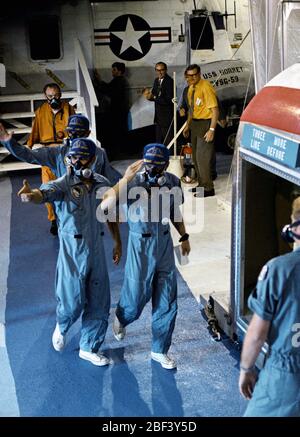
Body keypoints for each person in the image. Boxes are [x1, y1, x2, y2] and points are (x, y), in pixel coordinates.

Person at [17, 138, 122, 366]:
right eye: (73, 157)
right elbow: (43, 193)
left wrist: (117, 242)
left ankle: (88, 347)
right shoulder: (63, 184)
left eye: (82, 157)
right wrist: (30, 196)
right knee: (72, 300)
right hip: (72, 251)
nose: (77, 161)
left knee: (99, 301)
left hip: (96, 250)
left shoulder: (101, 183)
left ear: (93, 160)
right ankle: (63, 325)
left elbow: (109, 214)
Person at [102, 143, 191, 369]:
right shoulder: (132, 184)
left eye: (159, 167)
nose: (154, 171)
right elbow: (105, 206)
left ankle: (159, 350)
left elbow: (175, 211)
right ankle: (122, 318)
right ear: (143, 163)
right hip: (140, 244)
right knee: (135, 299)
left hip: (164, 244)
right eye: (150, 166)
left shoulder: (172, 182)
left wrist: (184, 236)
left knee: (167, 299)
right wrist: (124, 179)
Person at [239, 196, 300, 416]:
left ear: (293, 228)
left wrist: (246, 369)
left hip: (287, 373)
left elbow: (257, 334)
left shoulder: (279, 270)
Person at [0, 115, 121, 186]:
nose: (74, 135)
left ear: (88, 133)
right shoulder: (56, 153)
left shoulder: (99, 153)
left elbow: (111, 179)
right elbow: (28, 155)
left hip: (92, 206)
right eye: (71, 131)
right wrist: (9, 142)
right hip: (67, 208)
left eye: (79, 132)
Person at [27, 83, 75, 235]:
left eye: (56, 95)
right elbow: (34, 135)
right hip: (47, 153)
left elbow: (76, 129)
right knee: (47, 186)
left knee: (68, 184)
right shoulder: (41, 112)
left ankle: (70, 215)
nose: (54, 98)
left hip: (65, 151)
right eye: (50, 96)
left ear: (60, 94)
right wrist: (28, 148)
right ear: (45, 97)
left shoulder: (69, 109)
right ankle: (53, 219)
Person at [183, 64, 219, 198]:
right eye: (189, 75)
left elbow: (215, 110)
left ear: (199, 74)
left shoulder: (206, 87)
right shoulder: (191, 88)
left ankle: (209, 188)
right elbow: (191, 110)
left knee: (203, 157)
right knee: (196, 158)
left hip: (205, 123)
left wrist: (211, 129)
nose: (191, 78)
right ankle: (202, 184)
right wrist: (187, 125)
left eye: (194, 75)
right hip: (195, 124)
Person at [93, 62, 130, 160]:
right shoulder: (119, 81)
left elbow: (108, 89)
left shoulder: (119, 81)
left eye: (114, 70)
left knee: (115, 133)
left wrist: (99, 81)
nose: (112, 72)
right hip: (119, 111)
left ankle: (116, 154)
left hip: (117, 112)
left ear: (119, 71)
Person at [143, 62, 174, 146]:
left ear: (166, 70)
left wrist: (154, 97)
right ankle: (160, 158)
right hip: (158, 117)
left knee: (169, 142)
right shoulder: (156, 81)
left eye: (162, 70)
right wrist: (148, 96)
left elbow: (169, 100)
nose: (159, 72)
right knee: (158, 141)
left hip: (167, 117)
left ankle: (169, 158)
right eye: (157, 70)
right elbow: (154, 96)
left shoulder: (170, 81)